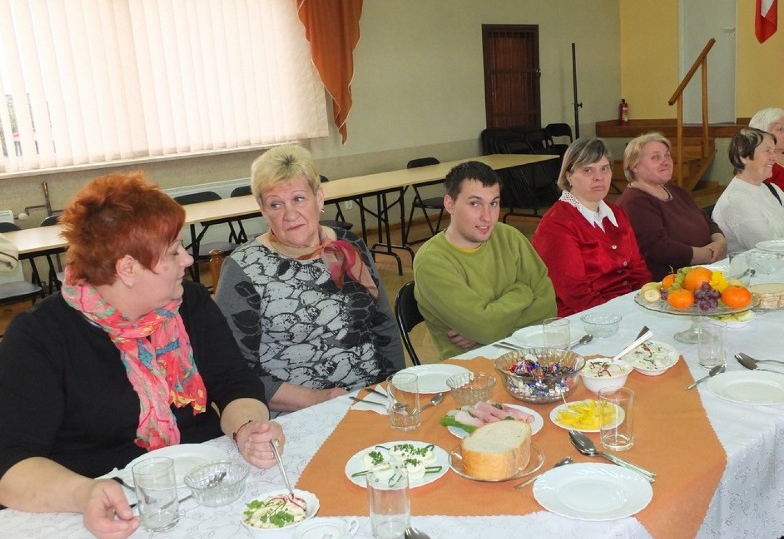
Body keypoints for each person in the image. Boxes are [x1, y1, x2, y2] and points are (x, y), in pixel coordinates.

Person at [0, 172, 283, 539]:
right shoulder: (41, 337)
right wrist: (83, 494)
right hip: (108, 513)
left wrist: (248, 428)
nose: (186, 260)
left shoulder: (190, 303)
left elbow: (235, 384)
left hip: (203, 487)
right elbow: (12, 465)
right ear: (128, 269)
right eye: (173, 252)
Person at [216, 145, 405, 412]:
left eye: (299, 199)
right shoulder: (243, 268)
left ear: (319, 198)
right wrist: (317, 399)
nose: (290, 214)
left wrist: (397, 388)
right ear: (263, 210)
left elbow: (383, 324)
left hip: (372, 398)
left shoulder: (348, 246)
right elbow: (236, 370)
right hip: (298, 413)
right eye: (276, 204)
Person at [413, 160, 556, 359]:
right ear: (450, 204)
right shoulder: (432, 261)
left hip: (532, 353)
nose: (487, 216)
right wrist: (523, 292)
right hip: (472, 368)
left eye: (494, 203)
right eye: (474, 203)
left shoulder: (509, 237)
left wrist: (488, 328)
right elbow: (486, 328)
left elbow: (548, 307)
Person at [531, 138, 650, 316]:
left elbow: (638, 269)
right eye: (588, 170)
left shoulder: (616, 213)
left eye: (605, 168)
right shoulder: (556, 224)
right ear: (568, 175)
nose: (599, 177)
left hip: (628, 307)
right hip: (584, 318)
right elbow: (575, 294)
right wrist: (622, 316)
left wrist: (647, 301)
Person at [617, 133, 727, 280]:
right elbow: (657, 248)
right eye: (656, 157)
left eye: (667, 156)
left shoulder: (676, 191)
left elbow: (707, 221)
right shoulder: (634, 202)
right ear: (635, 166)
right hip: (670, 282)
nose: (666, 161)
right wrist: (707, 255)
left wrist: (720, 242)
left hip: (705, 271)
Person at [712, 128, 784, 254]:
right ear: (743, 156)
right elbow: (768, 248)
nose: (774, 158)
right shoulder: (735, 200)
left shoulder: (773, 189)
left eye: (774, 151)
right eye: (768, 151)